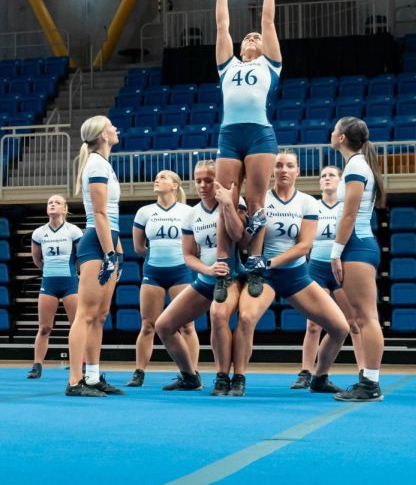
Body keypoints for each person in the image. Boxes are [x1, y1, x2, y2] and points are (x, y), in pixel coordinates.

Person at [230, 150, 350, 397]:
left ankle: (320, 377)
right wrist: (252, 227)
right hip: (264, 278)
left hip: (295, 276)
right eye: (279, 165)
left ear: (298, 171)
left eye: (289, 166)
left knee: (340, 328)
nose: (284, 170)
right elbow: (243, 242)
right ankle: (239, 377)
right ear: (272, 171)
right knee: (246, 318)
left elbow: (304, 246)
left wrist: (269, 262)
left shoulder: (307, 202)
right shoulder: (260, 198)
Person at [212, 0, 281, 299]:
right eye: (249, 36)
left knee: (256, 202)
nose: (254, 37)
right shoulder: (227, 66)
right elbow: (221, 26)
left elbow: (268, 20)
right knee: (224, 200)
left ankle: (254, 261)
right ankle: (224, 265)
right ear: (240, 48)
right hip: (230, 135)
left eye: (258, 37)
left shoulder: (271, 65)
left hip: (259, 136)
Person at [154, 159, 244, 394]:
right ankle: (189, 376)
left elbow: (238, 234)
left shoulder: (234, 202)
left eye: (209, 180)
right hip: (205, 280)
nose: (203, 185)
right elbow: (188, 256)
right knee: (163, 325)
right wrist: (207, 270)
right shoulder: (191, 215)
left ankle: (223, 376)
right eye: (199, 181)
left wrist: (228, 206)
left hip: (231, 279)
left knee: (218, 315)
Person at [330, 117, 388, 403]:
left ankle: (371, 383)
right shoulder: (356, 164)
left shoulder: (355, 166)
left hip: (357, 246)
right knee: (361, 317)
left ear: (341, 138)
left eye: (335, 130)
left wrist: (335, 252)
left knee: (366, 317)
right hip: (359, 246)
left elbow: (349, 215)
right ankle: (367, 379)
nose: (331, 133)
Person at [292, 164, 364, 389]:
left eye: (331, 175)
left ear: (341, 181)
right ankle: (306, 371)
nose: (326, 178)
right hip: (316, 268)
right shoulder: (312, 206)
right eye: (323, 175)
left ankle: (363, 370)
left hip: (342, 269)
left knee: (353, 322)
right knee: (313, 324)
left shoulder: (347, 208)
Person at [66, 115, 122, 397]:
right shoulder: (96, 164)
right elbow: (99, 214)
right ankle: (75, 381)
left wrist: (118, 251)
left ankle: (92, 376)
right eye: (111, 126)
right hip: (95, 243)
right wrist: (110, 252)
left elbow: (111, 218)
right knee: (85, 314)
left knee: (100, 315)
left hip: (108, 240)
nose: (116, 129)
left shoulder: (105, 164)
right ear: (102, 134)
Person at [127, 171, 197, 388]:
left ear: (175, 185)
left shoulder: (188, 211)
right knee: (148, 325)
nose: (157, 179)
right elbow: (139, 248)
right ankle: (139, 372)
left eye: (163, 177)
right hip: (153, 272)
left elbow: (195, 245)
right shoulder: (144, 212)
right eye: (157, 177)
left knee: (187, 326)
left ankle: (191, 374)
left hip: (181, 272)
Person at [27, 194, 83, 379]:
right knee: (44, 328)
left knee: (76, 325)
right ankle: (37, 365)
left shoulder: (73, 231)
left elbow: (80, 257)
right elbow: (37, 259)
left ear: (65, 209)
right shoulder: (38, 233)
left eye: (57, 202)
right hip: (49, 282)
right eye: (49, 202)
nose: (52, 205)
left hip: (70, 282)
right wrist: (50, 270)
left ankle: (79, 364)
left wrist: (70, 272)